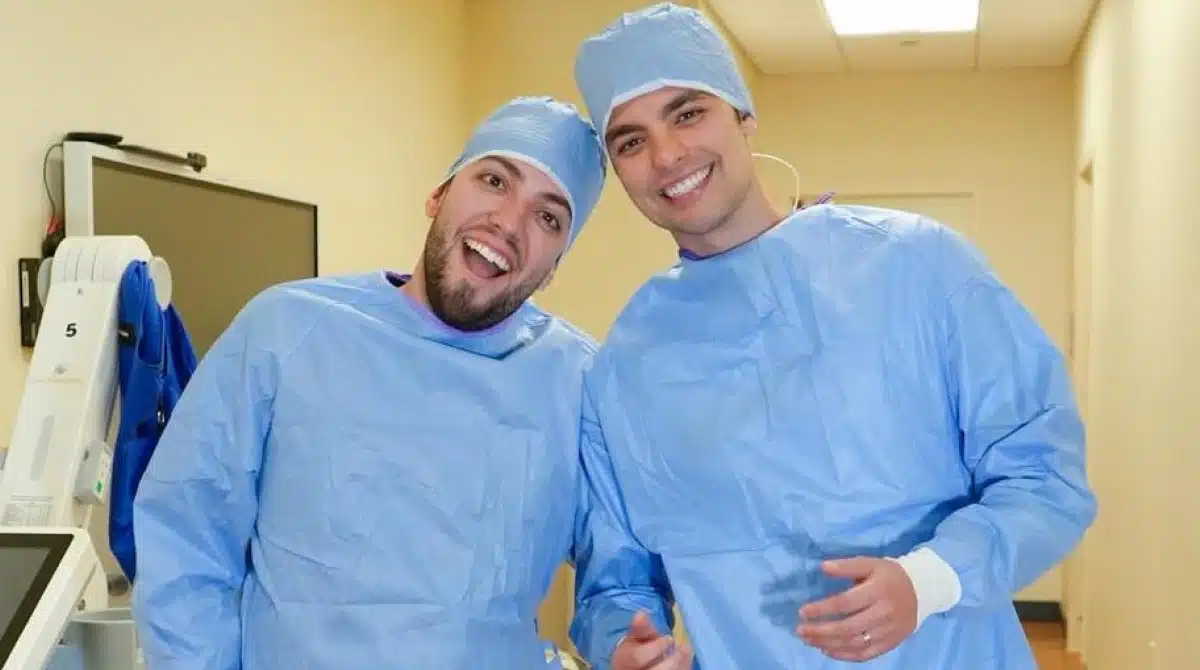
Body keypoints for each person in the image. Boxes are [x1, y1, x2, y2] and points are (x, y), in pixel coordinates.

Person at [567, 3, 1098, 669]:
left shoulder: (919, 266)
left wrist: (927, 581)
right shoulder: (625, 366)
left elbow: (1045, 477)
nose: (668, 154)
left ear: (743, 114)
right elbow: (615, 580)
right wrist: (625, 645)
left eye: (688, 113)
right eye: (630, 142)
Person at [131, 96, 607, 670]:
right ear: (438, 194)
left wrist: (626, 640)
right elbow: (186, 537)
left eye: (548, 217)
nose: (508, 223)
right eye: (493, 180)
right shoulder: (286, 332)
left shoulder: (578, 381)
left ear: (555, 267)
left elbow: (620, 579)